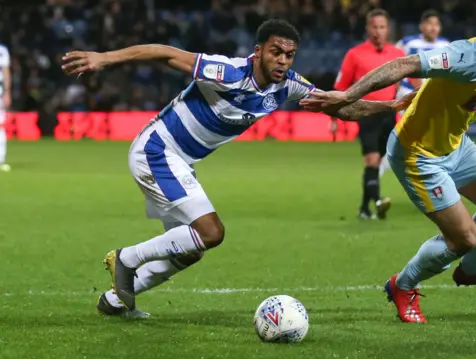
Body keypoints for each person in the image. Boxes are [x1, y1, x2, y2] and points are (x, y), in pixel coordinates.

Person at [61, 19, 415, 318]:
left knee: (191, 248)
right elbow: (165, 53)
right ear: (258, 50)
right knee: (211, 232)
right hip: (156, 151)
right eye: (276, 52)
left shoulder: (288, 84)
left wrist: (391, 106)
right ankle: (125, 259)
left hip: (180, 160)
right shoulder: (228, 71)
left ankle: (116, 300)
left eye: (290, 55)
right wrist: (104, 58)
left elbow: (340, 107)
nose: (283, 61)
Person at [301, 0, 476, 323]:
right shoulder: (469, 55)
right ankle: (402, 285)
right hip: (417, 153)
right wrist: (347, 96)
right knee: (464, 238)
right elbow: (403, 65)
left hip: (456, 145)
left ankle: (472, 270)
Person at [333, 9, 405, 220]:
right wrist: (333, 117)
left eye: (382, 27)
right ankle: (378, 202)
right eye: (374, 26)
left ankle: (365, 208)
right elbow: (341, 86)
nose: (378, 31)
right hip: (366, 113)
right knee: (372, 160)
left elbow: (411, 83)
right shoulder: (354, 54)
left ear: (387, 29)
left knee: (379, 160)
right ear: (367, 28)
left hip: (390, 114)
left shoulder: (398, 55)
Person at [378, 10, 450, 179]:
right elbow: (393, 66)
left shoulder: (446, 45)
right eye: (430, 24)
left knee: (421, 138)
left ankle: (394, 162)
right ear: (422, 26)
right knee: (415, 134)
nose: (433, 28)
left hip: (433, 98)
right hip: (408, 95)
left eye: (436, 24)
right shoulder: (407, 43)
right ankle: (389, 163)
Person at [0, 43, 11, 172]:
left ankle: (1, 157)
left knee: (0, 125)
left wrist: (7, 92)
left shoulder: (2, 50)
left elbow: (6, 72)